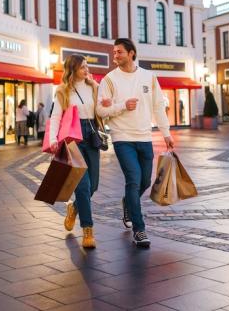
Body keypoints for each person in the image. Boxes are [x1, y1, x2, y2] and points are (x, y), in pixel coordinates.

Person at [97, 38, 173, 248]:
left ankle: (128, 203)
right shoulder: (109, 80)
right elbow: (100, 111)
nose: (115, 56)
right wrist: (122, 105)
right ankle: (139, 229)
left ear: (131, 53)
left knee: (145, 182)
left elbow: (158, 106)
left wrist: (166, 133)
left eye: (119, 52)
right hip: (122, 138)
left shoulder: (149, 77)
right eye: (114, 53)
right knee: (133, 179)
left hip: (144, 137)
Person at [49, 54, 102, 249]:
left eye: (87, 66)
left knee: (93, 185)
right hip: (73, 138)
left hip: (92, 136)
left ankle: (74, 208)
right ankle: (87, 230)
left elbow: (102, 111)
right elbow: (55, 117)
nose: (86, 70)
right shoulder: (63, 91)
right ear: (73, 70)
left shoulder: (94, 87)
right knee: (82, 186)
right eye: (82, 67)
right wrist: (54, 139)